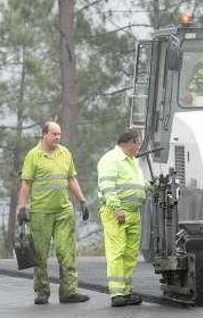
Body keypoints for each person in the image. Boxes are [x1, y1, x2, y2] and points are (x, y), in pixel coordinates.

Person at [18, 122, 91, 305]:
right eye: (54, 134)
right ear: (44, 135)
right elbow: (26, 183)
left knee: (67, 253)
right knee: (40, 255)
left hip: (63, 211)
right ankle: (42, 292)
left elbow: (71, 179)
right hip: (41, 212)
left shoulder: (65, 153)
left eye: (59, 134)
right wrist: (22, 207)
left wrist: (82, 200)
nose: (57, 137)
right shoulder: (34, 155)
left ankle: (69, 292)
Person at [96, 129, 146, 307]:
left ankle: (126, 290)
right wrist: (117, 208)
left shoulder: (132, 161)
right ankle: (117, 293)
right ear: (128, 143)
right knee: (116, 252)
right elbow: (107, 186)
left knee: (130, 253)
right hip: (116, 213)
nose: (139, 147)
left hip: (133, 212)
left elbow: (137, 185)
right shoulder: (111, 159)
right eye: (137, 143)